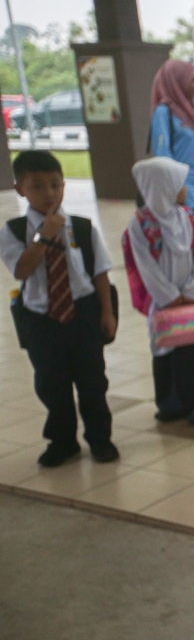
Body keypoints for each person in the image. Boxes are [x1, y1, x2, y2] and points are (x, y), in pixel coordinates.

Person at [0, 150, 117, 467]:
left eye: (55, 184)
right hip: (42, 319)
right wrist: (44, 236)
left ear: (64, 185)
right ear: (20, 188)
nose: (48, 193)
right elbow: (22, 270)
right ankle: (62, 441)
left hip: (82, 313)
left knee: (92, 380)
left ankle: (100, 439)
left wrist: (106, 313)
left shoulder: (82, 227)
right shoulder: (12, 232)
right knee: (52, 383)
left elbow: (100, 273)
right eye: (37, 186)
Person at [129, 157, 194, 425]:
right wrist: (171, 297)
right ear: (162, 186)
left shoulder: (188, 217)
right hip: (164, 302)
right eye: (180, 184)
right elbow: (146, 266)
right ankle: (174, 403)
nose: (185, 189)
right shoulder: (140, 224)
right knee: (169, 348)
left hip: (193, 297)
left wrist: (192, 291)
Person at [150, 60, 194, 265]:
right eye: (193, 79)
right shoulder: (164, 112)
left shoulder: (189, 110)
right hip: (183, 194)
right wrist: (176, 188)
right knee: (187, 252)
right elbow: (162, 155)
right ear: (177, 81)